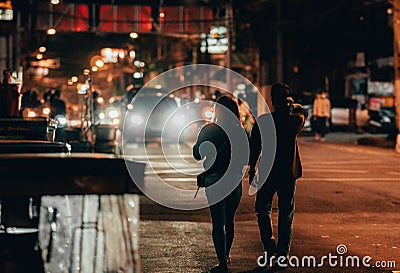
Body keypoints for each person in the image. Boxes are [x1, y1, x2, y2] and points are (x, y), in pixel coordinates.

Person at [248, 83, 308, 270]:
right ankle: (283, 254)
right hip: (288, 174)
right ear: (287, 100)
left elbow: (254, 148)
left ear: (272, 101)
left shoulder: (264, 121)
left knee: (262, 209)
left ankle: (269, 245)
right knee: (285, 215)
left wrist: (252, 170)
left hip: (267, 173)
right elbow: (303, 112)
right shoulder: (293, 121)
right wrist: (293, 106)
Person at [193, 95, 247, 273]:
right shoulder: (240, 131)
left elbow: (197, 154)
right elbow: (246, 157)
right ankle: (226, 255)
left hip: (215, 178)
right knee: (229, 220)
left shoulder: (209, 129)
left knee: (218, 222)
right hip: (233, 179)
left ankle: (222, 262)